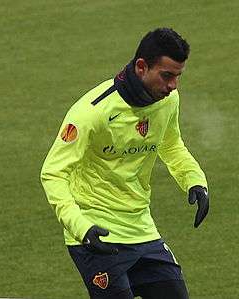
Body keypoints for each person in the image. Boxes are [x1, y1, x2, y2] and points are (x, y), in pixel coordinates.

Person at [40, 28, 209, 299]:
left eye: (178, 76)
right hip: (96, 234)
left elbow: (171, 145)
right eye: (167, 75)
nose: (173, 85)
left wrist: (194, 180)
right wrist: (80, 226)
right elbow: (53, 173)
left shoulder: (167, 100)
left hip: (141, 228)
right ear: (141, 67)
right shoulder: (91, 112)